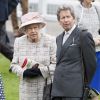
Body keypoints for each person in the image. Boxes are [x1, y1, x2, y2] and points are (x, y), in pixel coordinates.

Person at [51, 5, 96, 100]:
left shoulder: (84, 35)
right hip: (57, 89)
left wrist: (85, 85)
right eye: (63, 18)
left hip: (74, 90)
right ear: (59, 22)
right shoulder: (58, 39)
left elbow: (91, 64)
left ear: (74, 18)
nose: (66, 20)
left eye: (68, 16)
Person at [9, 12, 56, 100]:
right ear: (25, 30)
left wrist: (41, 71)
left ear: (40, 28)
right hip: (26, 90)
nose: (33, 31)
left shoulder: (50, 40)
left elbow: (55, 64)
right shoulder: (19, 42)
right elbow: (13, 65)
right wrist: (23, 72)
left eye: (35, 27)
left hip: (46, 88)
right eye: (30, 28)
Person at [74, 0, 100, 99]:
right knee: (83, 87)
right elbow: (73, 32)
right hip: (83, 54)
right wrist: (91, 41)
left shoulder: (97, 9)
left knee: (95, 90)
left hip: (98, 53)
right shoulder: (76, 10)